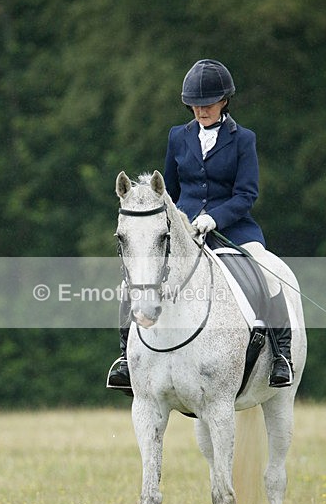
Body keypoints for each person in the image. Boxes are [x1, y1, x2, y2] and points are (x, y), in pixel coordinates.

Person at [108, 58, 294, 390]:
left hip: (234, 228)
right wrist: (179, 223)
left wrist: (215, 217)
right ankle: (125, 357)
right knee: (134, 279)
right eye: (194, 104)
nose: (200, 110)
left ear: (224, 101)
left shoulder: (243, 140)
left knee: (269, 273)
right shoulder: (178, 137)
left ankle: (280, 355)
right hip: (186, 231)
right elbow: (170, 191)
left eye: (207, 104)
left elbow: (246, 194)